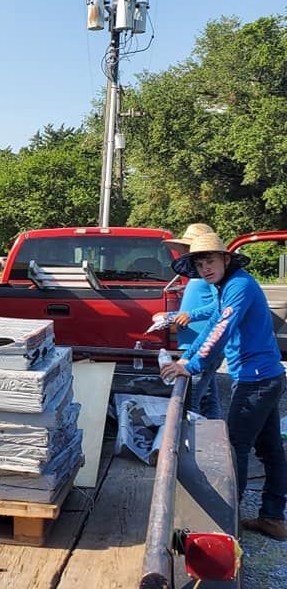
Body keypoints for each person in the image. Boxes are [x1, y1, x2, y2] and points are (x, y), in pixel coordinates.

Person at [161, 232, 286, 540]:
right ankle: (272, 518)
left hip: (256, 379)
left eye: (210, 261)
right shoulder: (225, 288)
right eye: (200, 263)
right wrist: (187, 358)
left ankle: (226, 522)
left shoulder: (239, 286)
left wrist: (190, 366)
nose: (205, 268)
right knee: (269, 448)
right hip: (262, 376)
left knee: (235, 447)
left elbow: (222, 329)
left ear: (226, 259)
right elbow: (213, 325)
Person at [164, 223, 223, 419]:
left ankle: (196, 441)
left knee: (192, 398)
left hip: (202, 343)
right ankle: (215, 433)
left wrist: (191, 314)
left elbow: (221, 305)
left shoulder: (210, 275)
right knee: (207, 396)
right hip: (198, 342)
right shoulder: (199, 274)